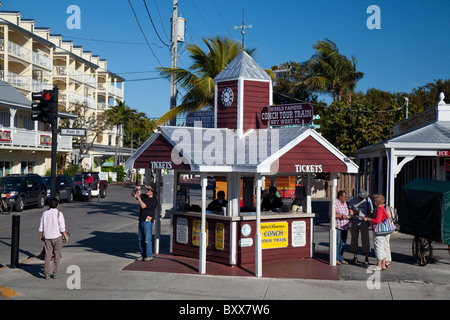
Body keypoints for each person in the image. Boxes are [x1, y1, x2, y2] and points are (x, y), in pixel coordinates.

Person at [39, 198, 65, 280]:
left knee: (48, 255)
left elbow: (41, 225)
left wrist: (41, 234)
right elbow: (62, 227)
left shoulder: (45, 213)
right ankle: (55, 273)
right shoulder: (59, 213)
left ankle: (46, 273)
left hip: (47, 237)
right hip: (57, 236)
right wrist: (65, 235)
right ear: (57, 205)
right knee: (57, 254)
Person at [132, 185, 158, 262]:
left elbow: (143, 206)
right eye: (146, 189)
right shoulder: (144, 196)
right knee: (140, 239)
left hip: (148, 220)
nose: (146, 191)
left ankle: (149, 255)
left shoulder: (153, 200)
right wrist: (135, 189)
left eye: (148, 190)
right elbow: (134, 195)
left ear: (152, 192)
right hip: (141, 219)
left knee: (147, 239)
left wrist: (139, 198)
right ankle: (143, 254)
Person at [348, 190, 373, 265]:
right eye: (359, 197)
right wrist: (352, 212)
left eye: (362, 198)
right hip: (355, 222)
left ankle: (366, 257)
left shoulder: (368, 201)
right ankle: (355, 256)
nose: (360, 199)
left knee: (365, 240)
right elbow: (350, 208)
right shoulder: (353, 200)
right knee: (354, 239)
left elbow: (371, 211)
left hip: (364, 223)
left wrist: (368, 217)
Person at [364, 194, 388, 271]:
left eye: (374, 201)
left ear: (377, 201)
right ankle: (383, 265)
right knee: (382, 247)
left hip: (378, 231)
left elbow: (377, 221)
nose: (373, 202)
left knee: (378, 248)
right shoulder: (383, 208)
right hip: (382, 231)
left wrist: (368, 219)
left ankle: (379, 265)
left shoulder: (379, 209)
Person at [330, 190, 350, 265]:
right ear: (340, 196)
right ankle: (335, 259)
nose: (346, 198)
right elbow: (331, 215)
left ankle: (341, 258)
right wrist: (341, 216)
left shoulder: (344, 203)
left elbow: (346, 212)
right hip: (337, 225)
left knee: (343, 243)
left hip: (345, 225)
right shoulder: (334, 203)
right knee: (337, 243)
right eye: (344, 197)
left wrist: (350, 213)